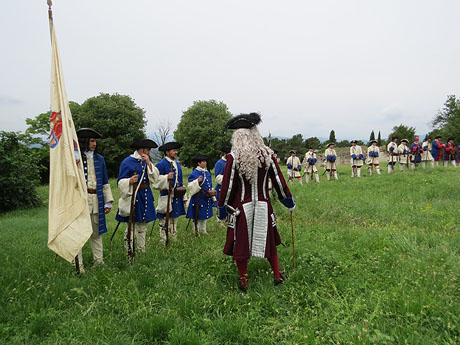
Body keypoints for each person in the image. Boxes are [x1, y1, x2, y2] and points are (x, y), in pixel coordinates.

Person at [217, 113, 295, 292]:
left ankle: (244, 281)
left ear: (238, 137)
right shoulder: (267, 154)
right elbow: (278, 180)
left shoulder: (234, 157)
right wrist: (287, 200)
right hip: (263, 205)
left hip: (240, 208)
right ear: (255, 133)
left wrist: (222, 207)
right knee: (268, 240)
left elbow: (228, 186)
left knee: (241, 243)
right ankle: (276, 275)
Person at [75, 128, 113, 270]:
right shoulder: (76, 158)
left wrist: (108, 201)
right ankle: (78, 265)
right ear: (84, 141)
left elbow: (104, 180)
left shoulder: (100, 159)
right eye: (92, 140)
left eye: (95, 141)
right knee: (79, 234)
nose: (94, 143)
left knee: (97, 233)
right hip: (81, 201)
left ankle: (99, 262)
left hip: (97, 200)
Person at [116, 138, 159, 253]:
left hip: (145, 195)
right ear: (141, 149)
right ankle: (128, 249)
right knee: (132, 225)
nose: (149, 152)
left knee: (143, 225)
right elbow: (120, 182)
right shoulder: (127, 162)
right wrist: (129, 181)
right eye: (148, 149)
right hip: (134, 196)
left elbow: (155, 178)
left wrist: (149, 163)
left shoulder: (146, 161)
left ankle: (141, 249)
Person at [154, 142, 186, 244]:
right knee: (163, 219)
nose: (176, 152)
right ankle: (163, 239)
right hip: (166, 196)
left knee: (174, 218)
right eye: (174, 151)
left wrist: (183, 195)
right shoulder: (161, 164)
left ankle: (173, 237)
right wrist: (166, 178)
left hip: (177, 195)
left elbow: (180, 181)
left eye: (176, 150)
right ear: (167, 152)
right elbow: (155, 182)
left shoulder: (177, 164)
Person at [186, 155, 216, 235]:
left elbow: (209, 184)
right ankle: (196, 230)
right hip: (198, 197)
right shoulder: (194, 173)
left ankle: (203, 230)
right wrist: (197, 181)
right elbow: (190, 186)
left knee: (204, 214)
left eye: (205, 161)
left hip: (206, 196)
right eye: (203, 161)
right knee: (197, 215)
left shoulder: (207, 173)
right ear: (198, 163)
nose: (205, 163)